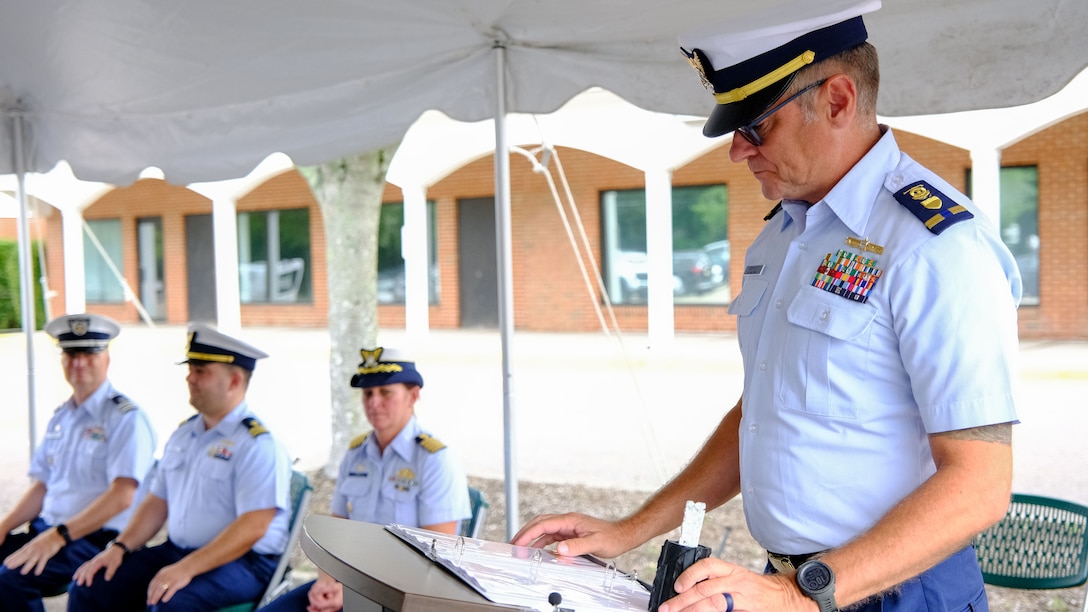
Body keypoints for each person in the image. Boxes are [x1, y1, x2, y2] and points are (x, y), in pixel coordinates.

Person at [512, 2, 1022, 611]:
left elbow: (979, 486)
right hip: (790, 584)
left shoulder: (934, 245)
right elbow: (763, 411)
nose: (737, 151)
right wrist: (632, 529)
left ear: (837, 100)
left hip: (896, 592)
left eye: (756, 126)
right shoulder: (786, 232)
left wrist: (799, 595)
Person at [68, 323, 292, 611]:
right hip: (179, 551)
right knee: (91, 584)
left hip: (245, 562)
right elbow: (156, 503)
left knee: (169, 602)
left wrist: (188, 568)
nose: (190, 378)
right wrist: (118, 548)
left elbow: (253, 527)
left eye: (201, 371)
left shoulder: (258, 444)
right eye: (190, 370)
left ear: (234, 381)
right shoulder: (185, 434)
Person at [262, 346, 470, 612]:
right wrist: (326, 582)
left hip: (400, 595)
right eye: (368, 393)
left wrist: (354, 591)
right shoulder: (355, 453)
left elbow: (436, 553)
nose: (373, 402)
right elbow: (336, 528)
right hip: (346, 583)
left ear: (413, 396)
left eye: (386, 392)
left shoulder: (434, 459)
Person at [0, 313, 156, 612]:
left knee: (11, 579)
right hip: (47, 529)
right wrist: (4, 526)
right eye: (71, 354)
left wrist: (59, 537)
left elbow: (123, 496)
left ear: (106, 359)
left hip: (93, 538)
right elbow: (42, 487)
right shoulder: (61, 417)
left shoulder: (125, 418)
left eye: (88, 353)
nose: (78, 362)